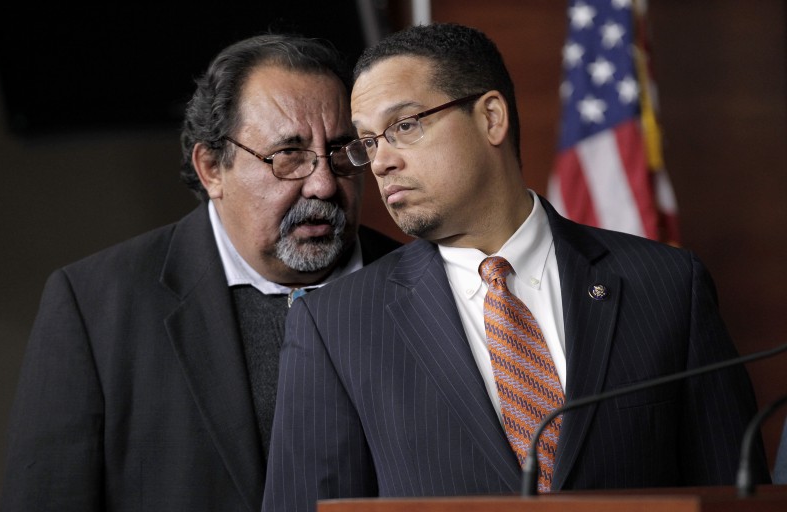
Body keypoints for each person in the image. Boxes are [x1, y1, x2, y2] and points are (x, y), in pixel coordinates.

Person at [262, 23, 770, 511]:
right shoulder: (334, 326)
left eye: (404, 126)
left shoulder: (666, 286)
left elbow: (734, 494)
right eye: (369, 142)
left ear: (490, 118)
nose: (381, 162)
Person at [1, 33, 400, 511]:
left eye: (340, 152)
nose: (323, 183)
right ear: (212, 167)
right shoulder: (93, 307)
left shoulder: (425, 287)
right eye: (288, 156)